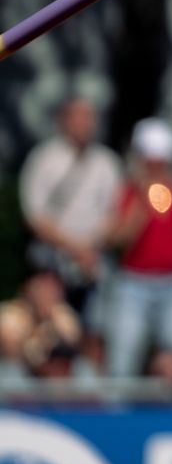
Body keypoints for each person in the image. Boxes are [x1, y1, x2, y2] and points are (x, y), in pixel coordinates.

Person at [104, 118, 172, 379]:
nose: (156, 169)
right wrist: (141, 205)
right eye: (151, 163)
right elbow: (116, 239)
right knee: (123, 361)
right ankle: (119, 416)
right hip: (133, 284)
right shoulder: (128, 192)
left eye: (161, 163)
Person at [19, 96, 121, 323]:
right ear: (65, 120)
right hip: (52, 260)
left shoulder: (106, 162)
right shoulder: (43, 159)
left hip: (94, 259)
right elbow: (34, 216)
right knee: (52, 327)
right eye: (81, 116)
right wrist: (73, 248)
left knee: (96, 326)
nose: (88, 123)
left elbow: (113, 214)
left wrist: (90, 249)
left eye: (90, 117)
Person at [0, 270, 88, 380]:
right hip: (19, 380)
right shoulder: (11, 314)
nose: (48, 294)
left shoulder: (63, 314)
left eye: (53, 289)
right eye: (43, 288)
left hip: (49, 380)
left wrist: (50, 325)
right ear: (28, 288)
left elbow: (75, 344)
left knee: (82, 369)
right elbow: (14, 353)